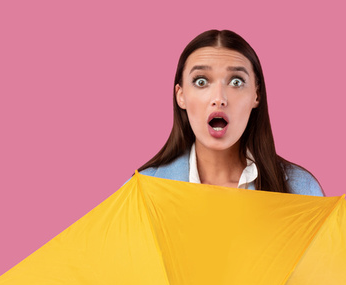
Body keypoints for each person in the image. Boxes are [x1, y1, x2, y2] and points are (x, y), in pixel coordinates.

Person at [138, 30, 324, 196]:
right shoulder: (143, 191)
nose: (219, 98)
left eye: (236, 82)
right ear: (181, 96)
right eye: (201, 81)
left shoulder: (301, 191)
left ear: (256, 95)